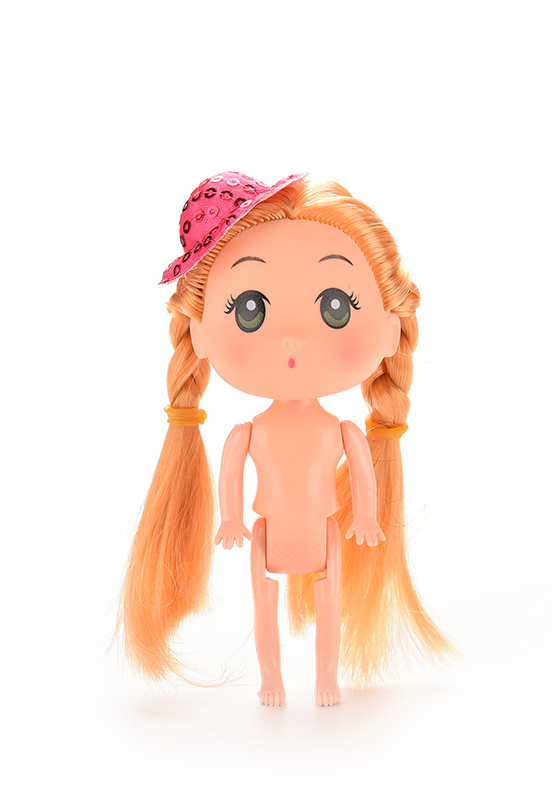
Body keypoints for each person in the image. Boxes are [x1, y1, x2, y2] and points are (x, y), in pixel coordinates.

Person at [120, 171, 452, 706]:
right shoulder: (249, 432)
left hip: (326, 533)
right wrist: (231, 518)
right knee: (264, 607)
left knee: (328, 606)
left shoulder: (343, 431)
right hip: (265, 534)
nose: (293, 338)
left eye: (335, 307)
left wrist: (366, 516)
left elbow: (362, 476)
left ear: (392, 329)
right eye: (250, 308)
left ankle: (326, 679)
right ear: (198, 333)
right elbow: (232, 474)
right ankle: (271, 679)